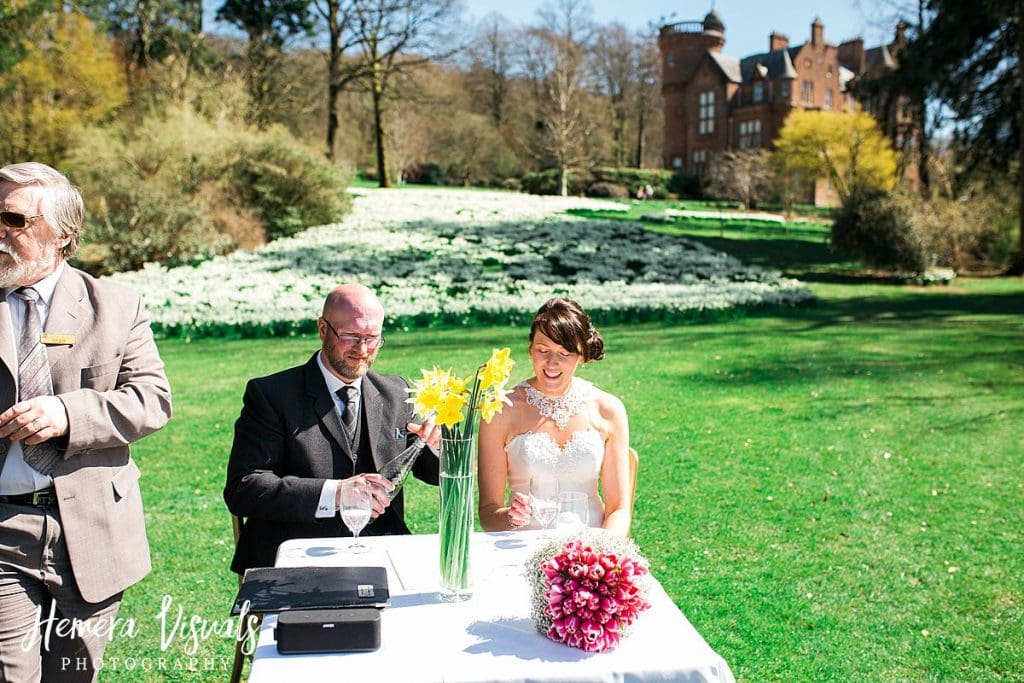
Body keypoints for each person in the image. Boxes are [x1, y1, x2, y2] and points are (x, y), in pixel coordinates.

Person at [0, 162, 172, 681]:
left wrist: (68, 414)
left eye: (13, 219)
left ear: (63, 237)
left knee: (74, 675)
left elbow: (152, 400)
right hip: (3, 528)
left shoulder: (116, 306)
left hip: (92, 529)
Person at [225, 284, 441, 574]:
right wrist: (336, 493)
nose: (362, 350)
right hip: (295, 556)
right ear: (323, 329)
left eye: (372, 338)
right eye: (350, 336)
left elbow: (435, 473)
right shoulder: (271, 395)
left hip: (382, 553)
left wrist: (438, 445)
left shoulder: (397, 392)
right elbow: (245, 488)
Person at [478, 297, 631, 536]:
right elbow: (488, 513)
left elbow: (618, 510)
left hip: (590, 547)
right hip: (520, 547)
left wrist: (602, 554)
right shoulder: (500, 409)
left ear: (582, 355)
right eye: (543, 350)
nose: (552, 363)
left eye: (565, 353)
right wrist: (510, 518)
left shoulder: (608, 410)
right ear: (530, 350)